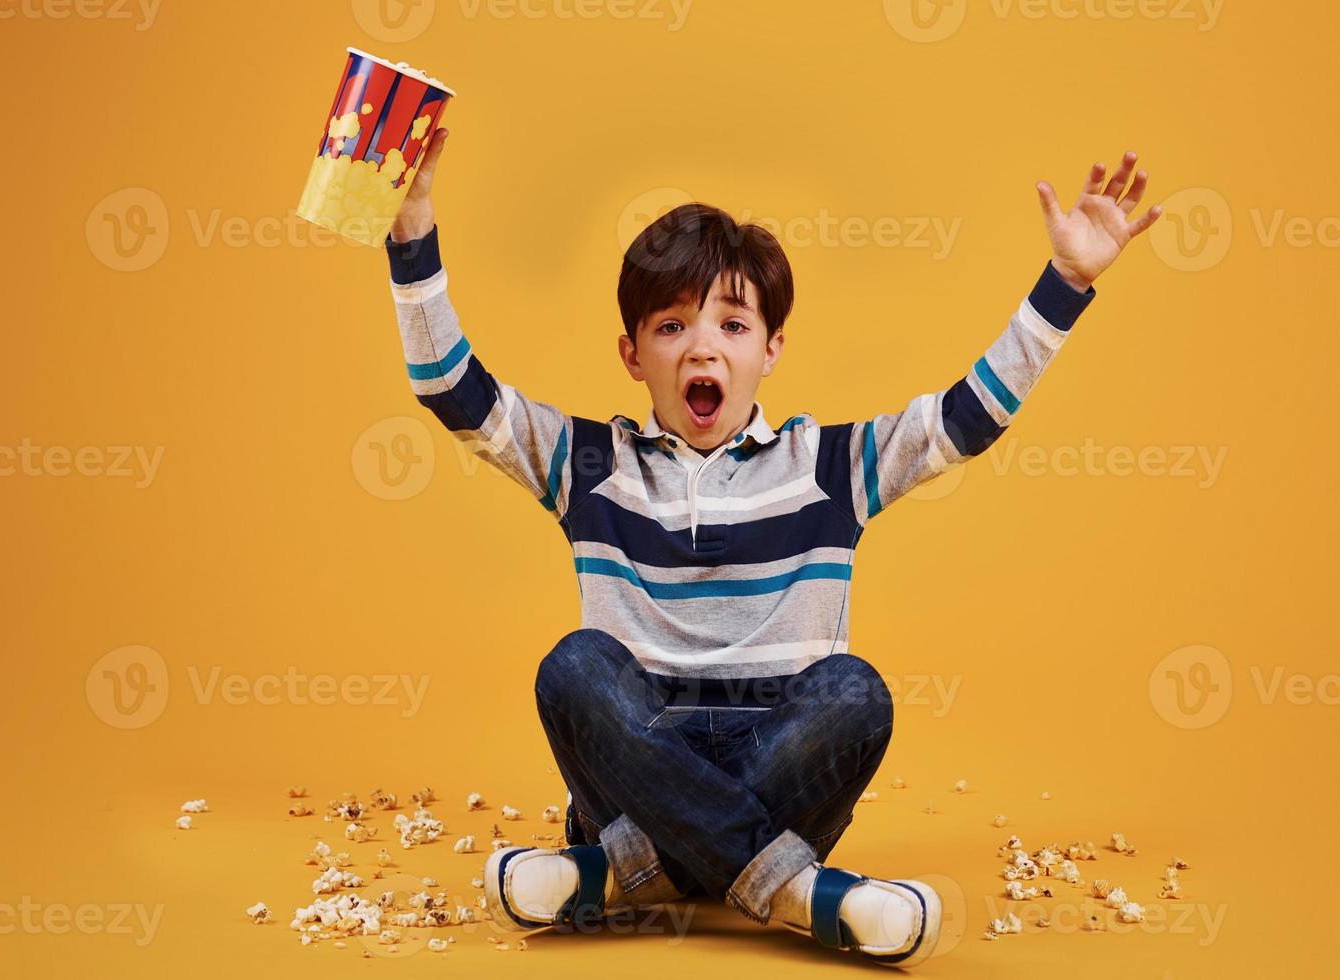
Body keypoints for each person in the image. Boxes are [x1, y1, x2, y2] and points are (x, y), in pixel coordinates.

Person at [382, 128, 1161, 968]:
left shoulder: (830, 466)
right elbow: (450, 388)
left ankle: (624, 877)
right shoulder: (590, 464)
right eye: (672, 326)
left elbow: (968, 416)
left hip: (780, 768)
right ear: (633, 356)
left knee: (854, 692)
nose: (703, 346)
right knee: (574, 667)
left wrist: (1067, 281)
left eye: (732, 322)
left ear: (771, 348)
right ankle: (795, 894)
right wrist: (411, 228)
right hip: (635, 767)